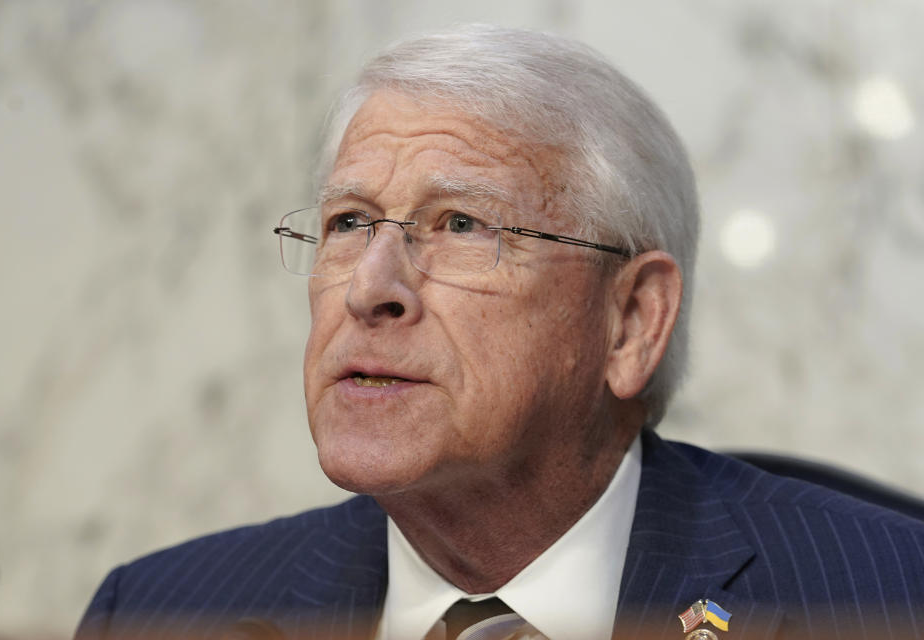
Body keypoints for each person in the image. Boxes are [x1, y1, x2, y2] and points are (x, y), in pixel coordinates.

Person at [76, 25, 924, 640]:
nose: (371, 289)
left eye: (460, 225)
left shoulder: (888, 599)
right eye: (346, 223)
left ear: (631, 321)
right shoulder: (157, 614)